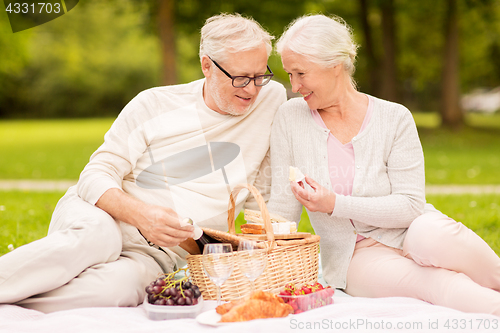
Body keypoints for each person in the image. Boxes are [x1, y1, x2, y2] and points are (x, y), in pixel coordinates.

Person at [0, 13, 287, 313]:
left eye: (259, 76)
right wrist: (142, 216)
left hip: (158, 255)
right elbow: (95, 174)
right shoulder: (154, 104)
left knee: (116, 290)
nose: (252, 89)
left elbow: (261, 191)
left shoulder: (270, 100)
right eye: (240, 78)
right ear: (206, 65)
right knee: (99, 237)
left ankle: (12, 303)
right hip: (102, 216)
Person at [267, 14, 500, 316]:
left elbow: (410, 206)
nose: (294, 85)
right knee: (438, 283)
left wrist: (335, 204)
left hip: (412, 226)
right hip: (356, 256)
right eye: (289, 74)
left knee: (436, 237)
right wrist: (255, 251)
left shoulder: (395, 118)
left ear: (335, 65)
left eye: (301, 73)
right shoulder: (290, 118)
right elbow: (283, 210)